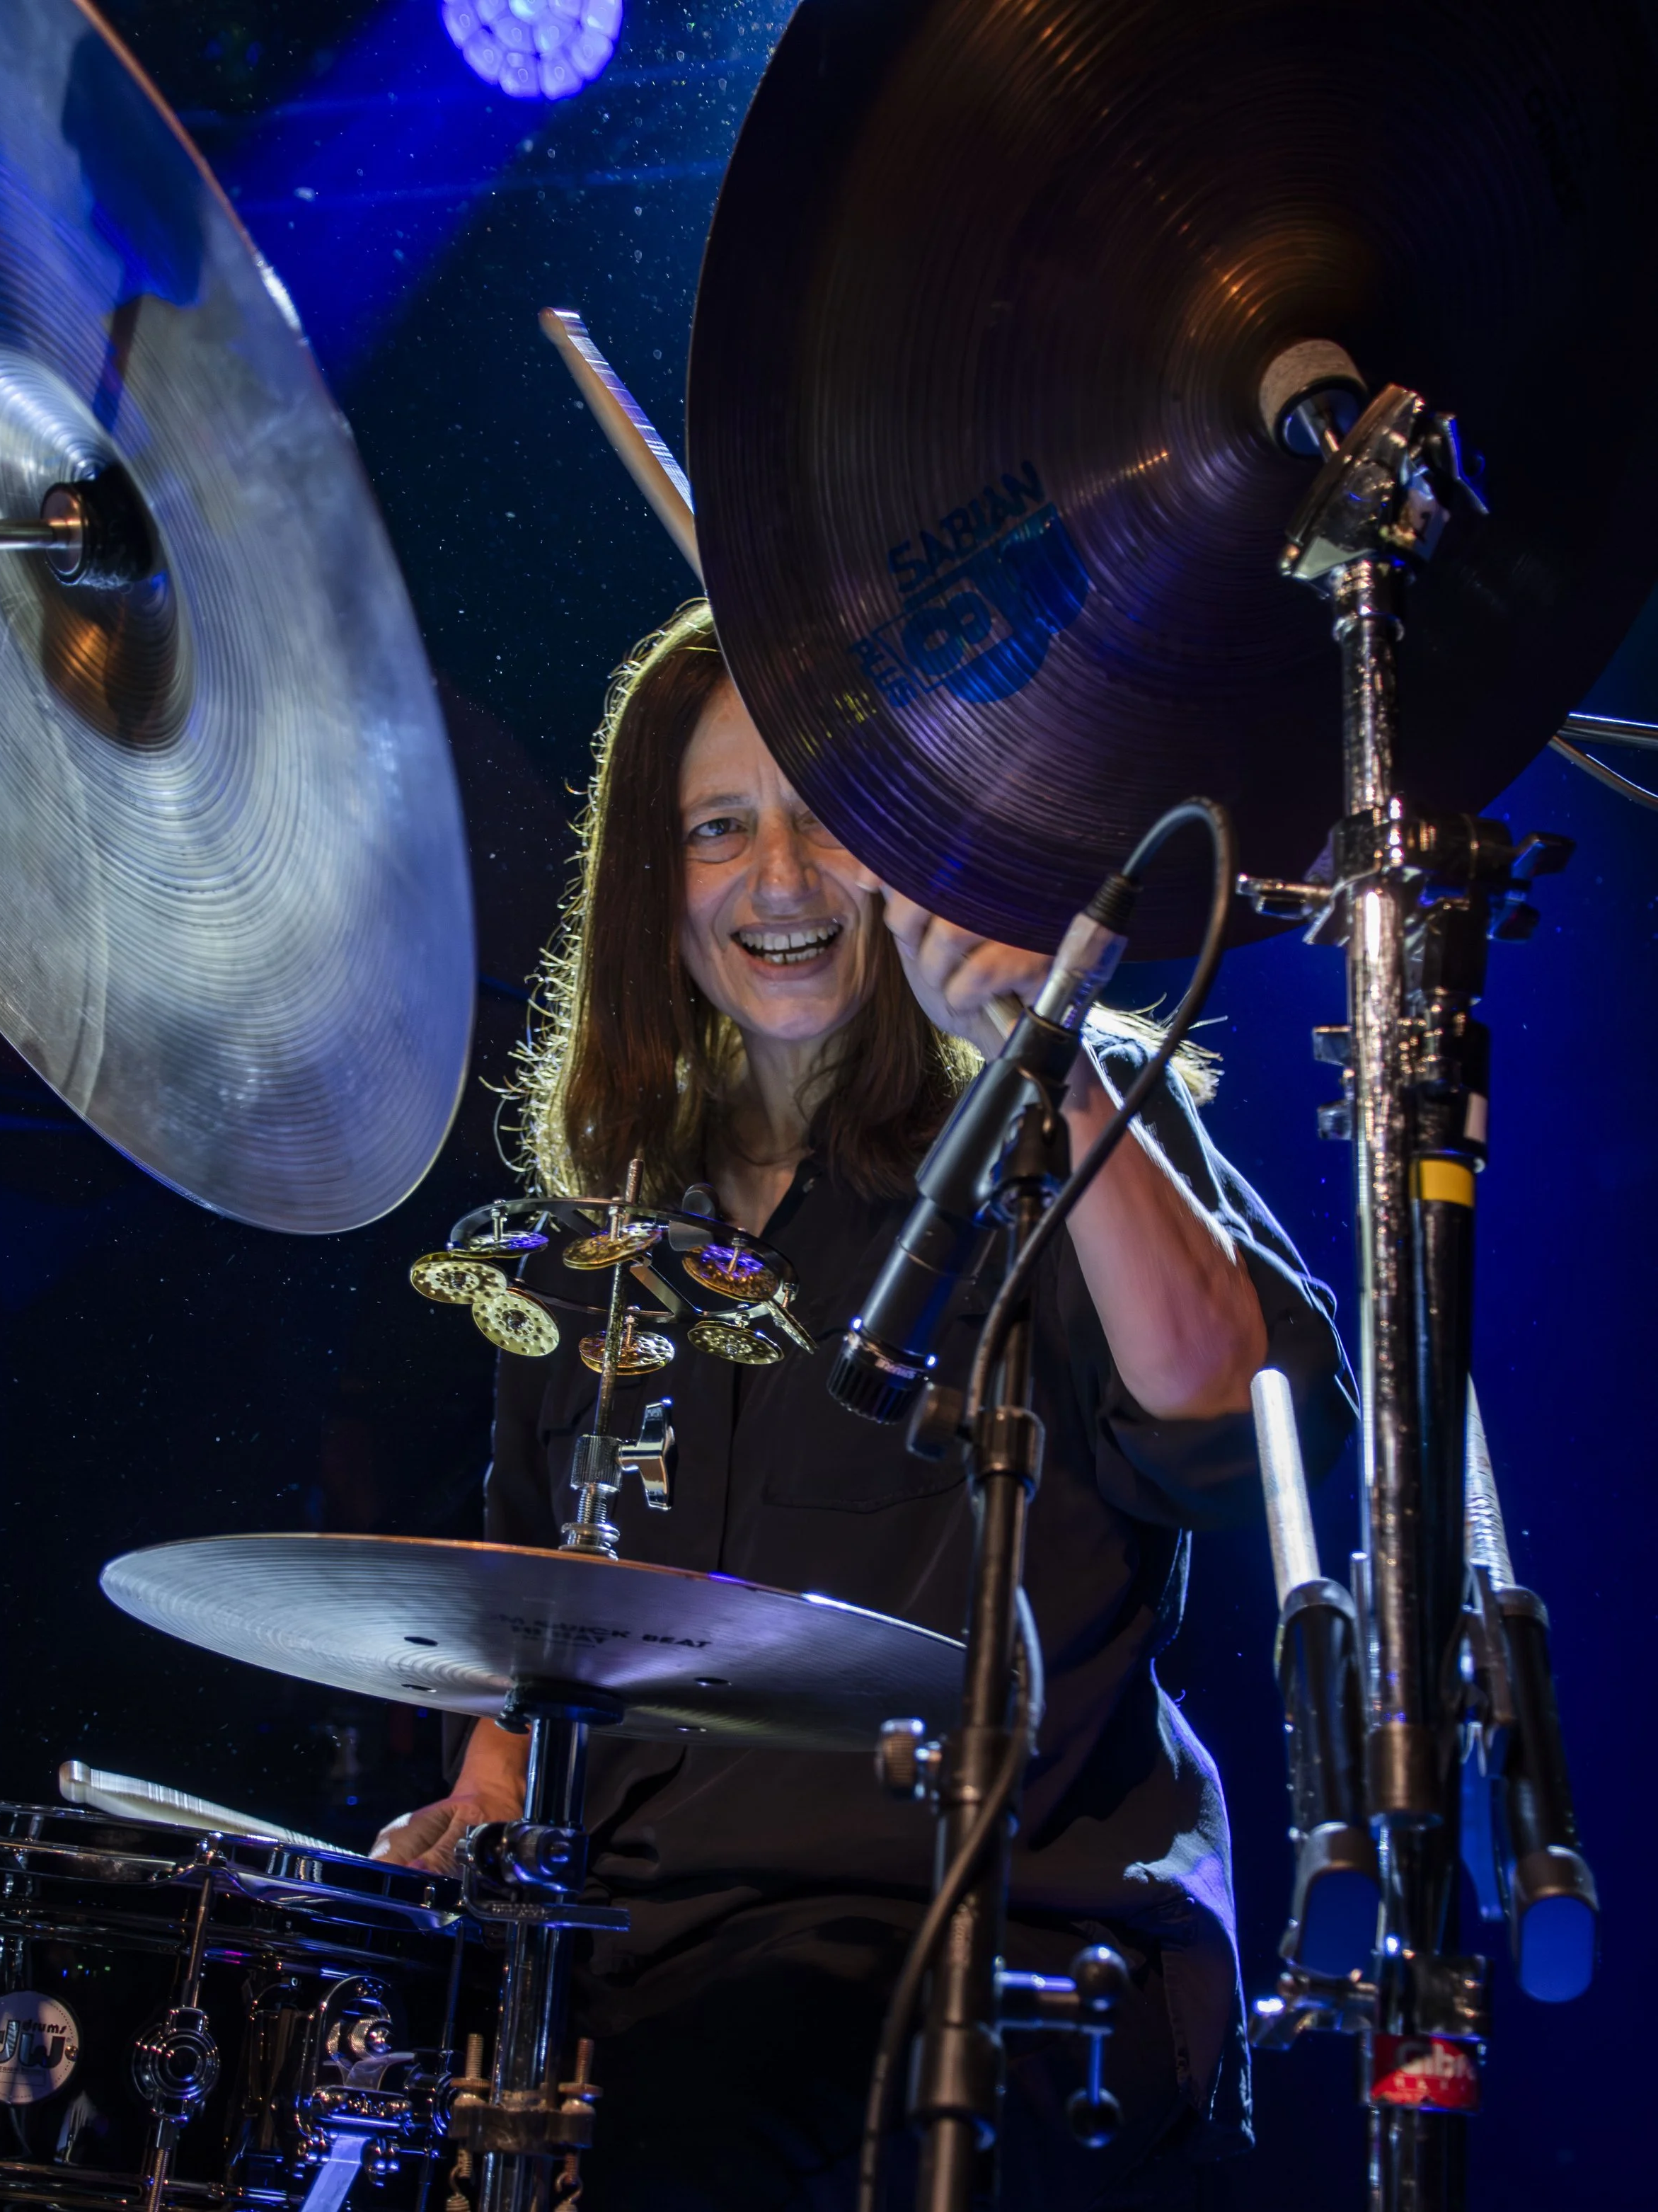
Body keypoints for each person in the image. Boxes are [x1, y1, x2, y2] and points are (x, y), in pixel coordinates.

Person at [374, 601, 1353, 2208]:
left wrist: (1051, 1063)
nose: (777, 881)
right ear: (651, 886)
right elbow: (535, 1618)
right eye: (717, 830)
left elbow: (1236, 1434)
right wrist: (479, 1799)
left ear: (914, 847)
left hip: (987, 1957)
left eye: (827, 819)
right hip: (644, 1972)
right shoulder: (600, 1241)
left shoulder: (1053, 1121)